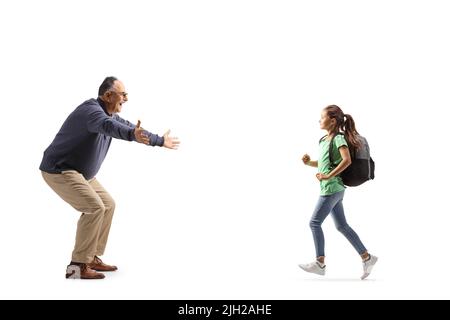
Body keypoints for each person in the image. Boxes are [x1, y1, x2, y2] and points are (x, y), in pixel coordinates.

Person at [40, 76, 180, 279]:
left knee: (108, 204)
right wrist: (132, 134)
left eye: (126, 94)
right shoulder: (92, 113)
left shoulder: (108, 114)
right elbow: (111, 127)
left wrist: (159, 140)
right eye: (122, 94)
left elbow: (128, 127)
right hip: (60, 170)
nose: (126, 98)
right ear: (107, 95)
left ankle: (91, 256)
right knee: (95, 207)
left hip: (80, 173)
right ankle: (77, 266)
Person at [299, 105, 377, 280]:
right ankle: (367, 257)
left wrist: (328, 175)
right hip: (334, 189)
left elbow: (347, 160)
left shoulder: (338, 138)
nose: (319, 120)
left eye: (322, 117)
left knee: (314, 223)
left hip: (332, 189)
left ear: (332, 121)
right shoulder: (324, 140)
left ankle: (320, 263)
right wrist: (310, 162)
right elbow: (324, 162)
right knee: (342, 226)